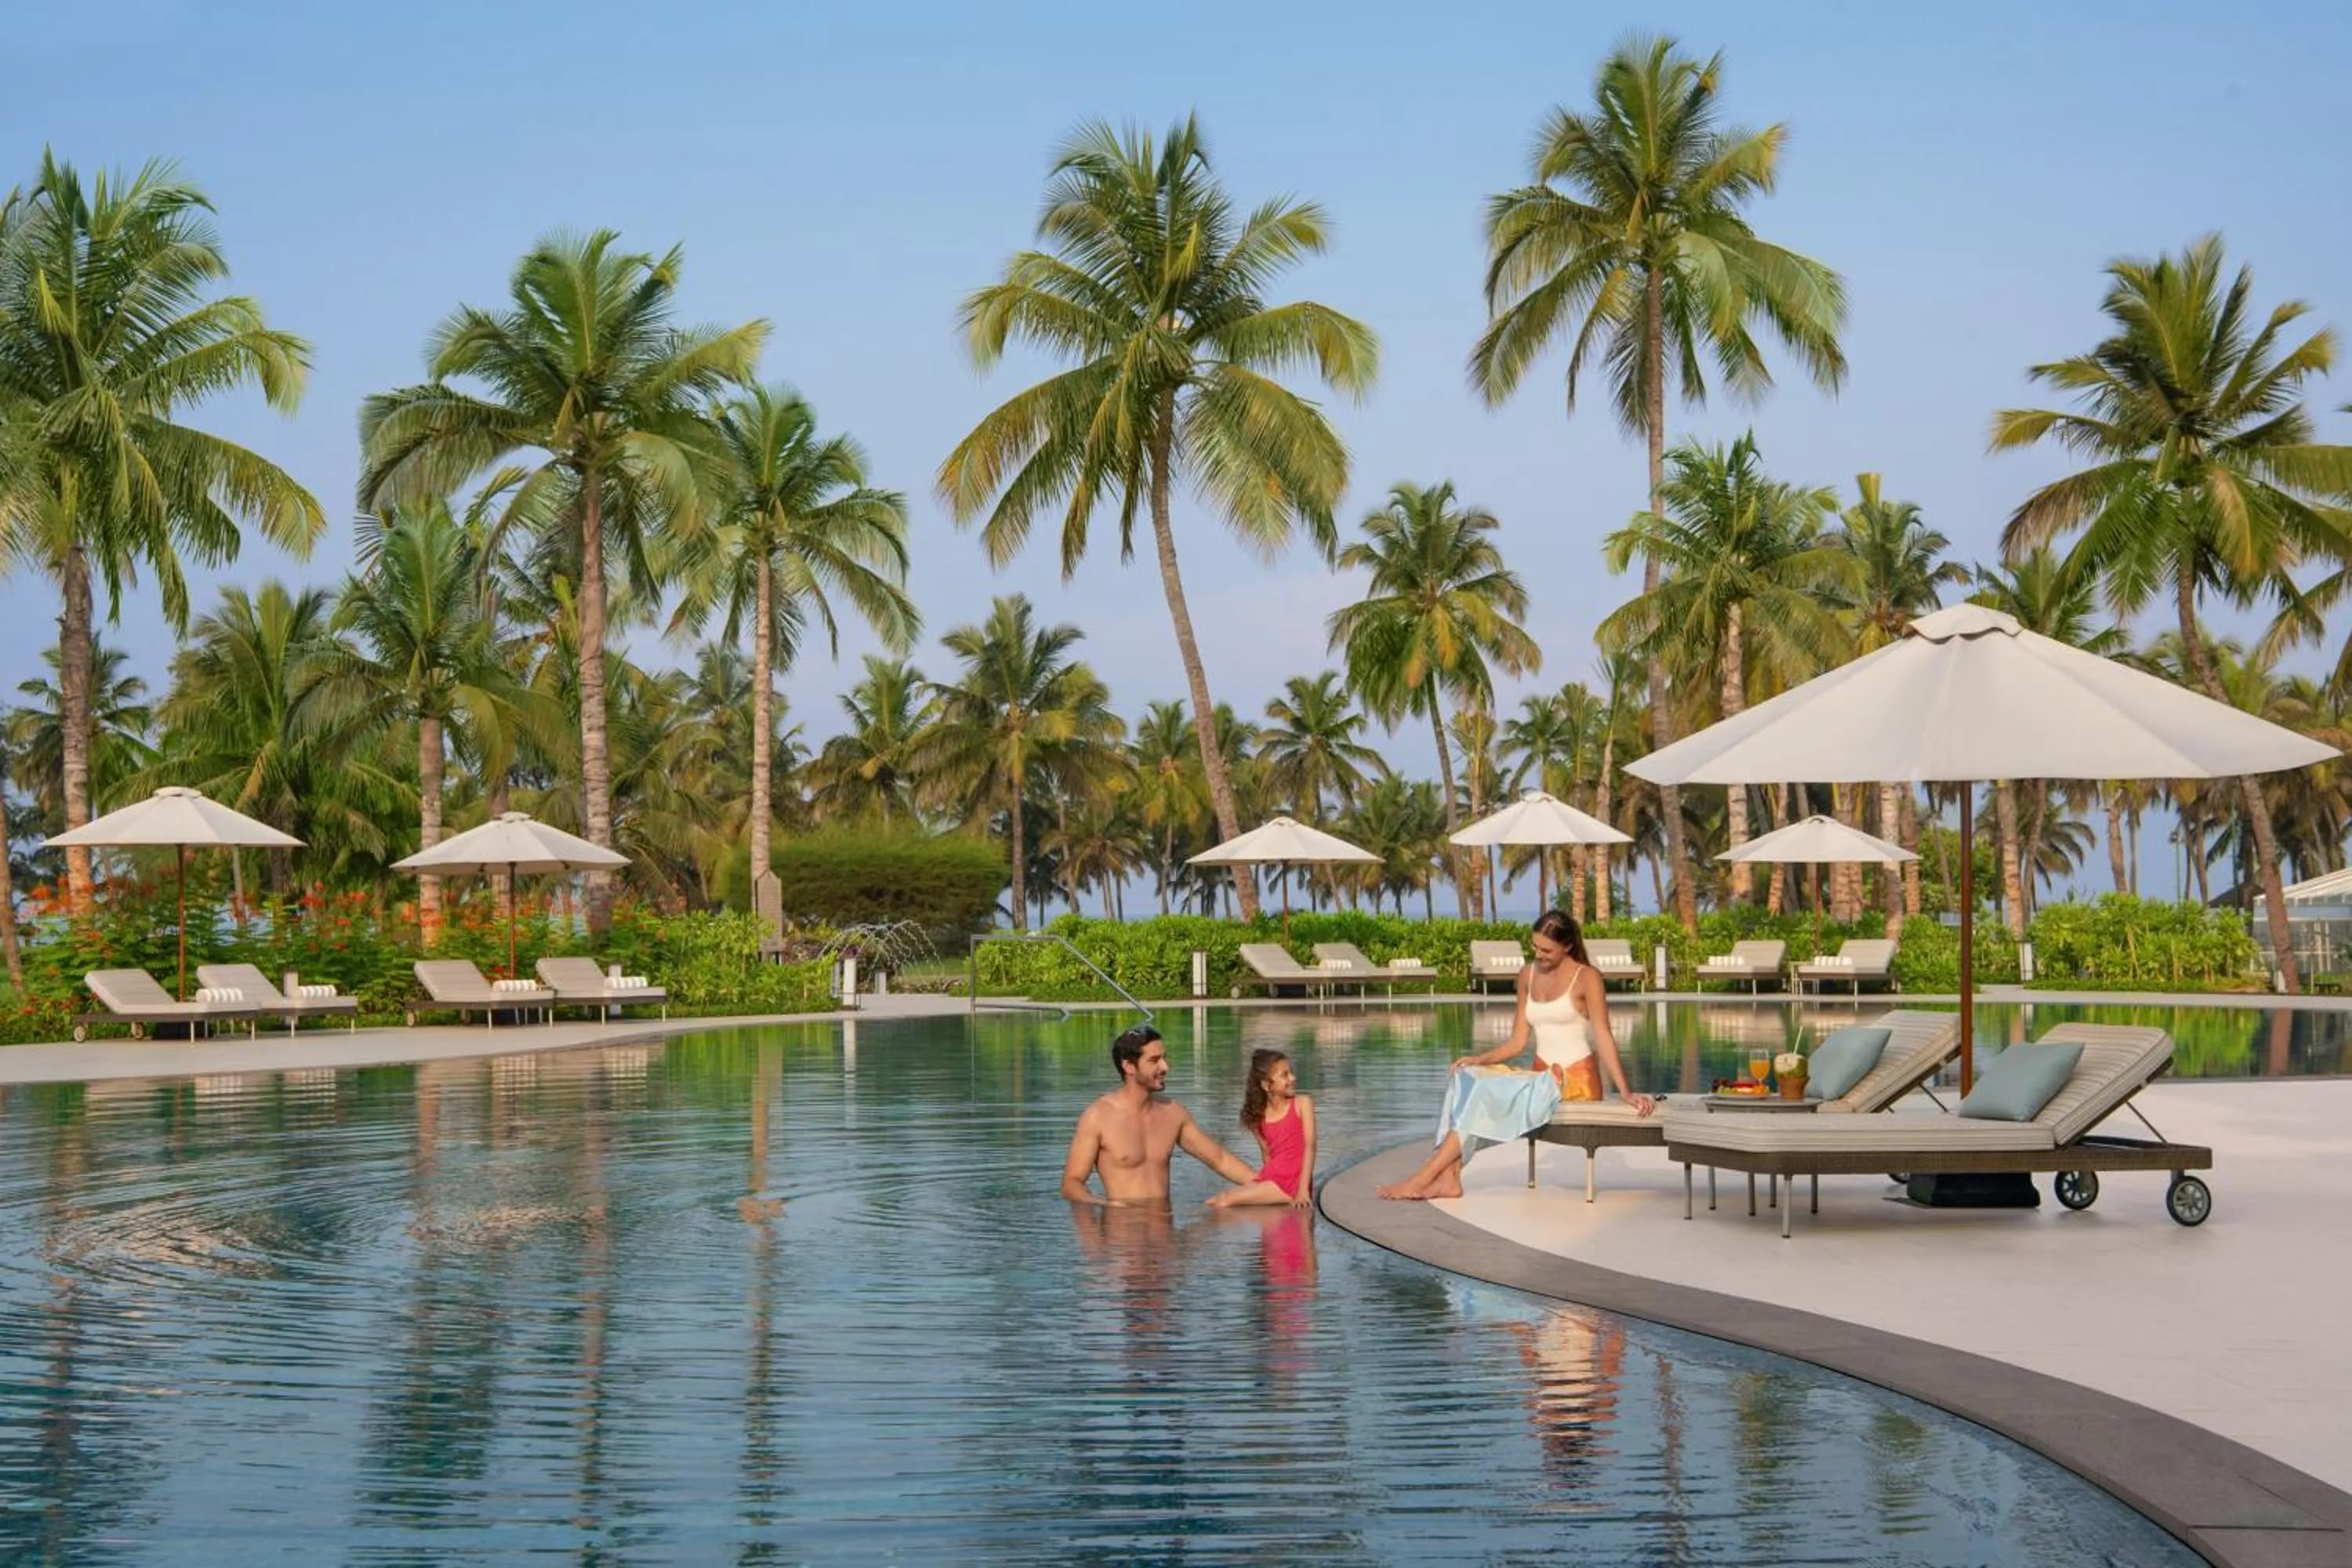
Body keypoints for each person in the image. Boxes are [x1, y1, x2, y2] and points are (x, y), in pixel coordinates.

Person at [1378, 910, 1656, 1200]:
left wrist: (1626, 1091)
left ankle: (1423, 1177)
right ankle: (1451, 1177)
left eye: (1547, 950)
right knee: (1466, 1078)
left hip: (1575, 1081)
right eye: (1535, 946)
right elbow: (1518, 1041)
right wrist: (1479, 1060)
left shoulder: (1587, 978)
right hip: (1542, 1078)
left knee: (1484, 1095)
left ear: (1568, 946)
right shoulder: (1527, 974)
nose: (1539, 954)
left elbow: (1604, 1035)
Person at [1061, 1023, 1261, 1206]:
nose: (1166, 1067)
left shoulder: (1173, 1112)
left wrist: (1268, 1188)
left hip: (1164, 1233)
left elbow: (1219, 1159)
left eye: (1164, 1058)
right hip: (1121, 1234)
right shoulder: (1098, 1117)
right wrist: (1103, 1204)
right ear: (1129, 1066)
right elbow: (1072, 1184)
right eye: (1154, 1060)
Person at [1205, 1048, 1316, 1209]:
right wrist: (1262, 1185)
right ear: (1266, 1085)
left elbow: (1310, 1146)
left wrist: (1303, 1191)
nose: (1293, 1078)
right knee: (1218, 1199)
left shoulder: (1302, 1103)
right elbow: (1267, 1156)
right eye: (1285, 1075)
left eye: (1291, 1072)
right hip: (1273, 1180)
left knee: (1225, 1200)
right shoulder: (1258, 1117)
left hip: (1291, 1183)